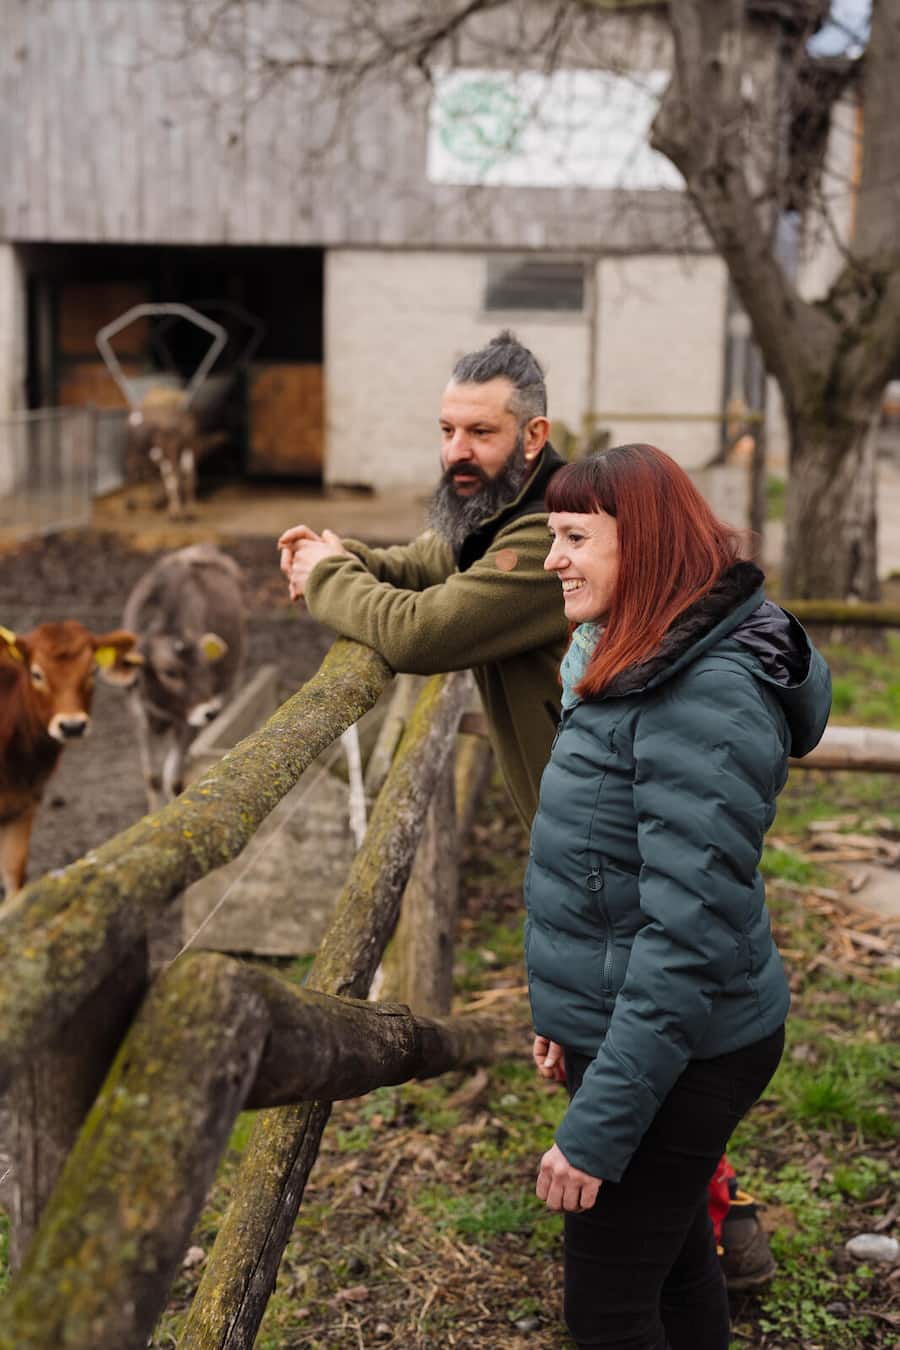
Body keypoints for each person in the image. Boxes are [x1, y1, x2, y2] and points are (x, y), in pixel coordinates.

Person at [278, 334, 779, 1288]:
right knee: (650, 1025)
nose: (456, 450)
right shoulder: (502, 520)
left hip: (619, 834)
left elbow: (424, 627)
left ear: (532, 433)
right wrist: (340, 554)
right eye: (446, 429)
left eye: (480, 430)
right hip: (598, 846)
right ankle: (698, 1229)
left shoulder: (542, 543)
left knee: (658, 1020)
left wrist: (330, 583)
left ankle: (704, 1223)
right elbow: (427, 566)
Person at [525, 443, 831, 1350]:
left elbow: (686, 936)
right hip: (644, 1023)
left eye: (575, 536)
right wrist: (570, 1012)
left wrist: (595, 1129)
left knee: (610, 1312)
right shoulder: (631, 653)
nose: (553, 559)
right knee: (672, 1265)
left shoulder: (699, 691)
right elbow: (607, 870)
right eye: (553, 535)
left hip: (690, 1046)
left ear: (646, 545)